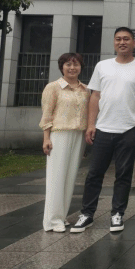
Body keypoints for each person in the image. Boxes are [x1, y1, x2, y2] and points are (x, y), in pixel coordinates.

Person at [71, 27, 135, 234]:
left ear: (134, 42)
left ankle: (117, 213)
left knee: (124, 174)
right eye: (118, 39)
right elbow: (95, 96)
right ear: (114, 42)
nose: (122, 42)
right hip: (103, 128)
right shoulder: (102, 66)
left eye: (126, 39)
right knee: (94, 174)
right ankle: (87, 214)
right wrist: (91, 124)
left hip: (129, 129)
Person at [40, 53, 90, 233]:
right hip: (59, 134)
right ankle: (52, 221)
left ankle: (61, 217)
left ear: (81, 67)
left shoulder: (85, 89)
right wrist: (46, 138)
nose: (72, 68)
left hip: (78, 135)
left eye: (76, 65)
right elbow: (47, 113)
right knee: (57, 177)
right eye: (68, 64)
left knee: (70, 178)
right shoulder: (53, 87)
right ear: (62, 67)